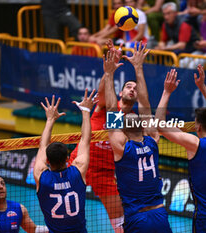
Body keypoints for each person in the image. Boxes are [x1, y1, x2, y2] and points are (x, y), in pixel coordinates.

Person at [68, 41, 150, 233]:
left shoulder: (134, 121)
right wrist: (109, 71)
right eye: (128, 87)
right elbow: (103, 93)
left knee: (119, 220)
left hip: (106, 173)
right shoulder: (106, 106)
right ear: (120, 92)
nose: (132, 89)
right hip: (81, 164)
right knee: (67, 211)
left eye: (135, 88)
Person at [155, 65, 206, 233]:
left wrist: (167, 92)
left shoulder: (195, 144)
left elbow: (158, 124)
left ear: (197, 127)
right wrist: (203, 87)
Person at [104, 45, 173, 233]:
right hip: (160, 215)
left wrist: (109, 74)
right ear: (142, 126)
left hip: (137, 218)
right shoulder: (152, 140)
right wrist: (139, 67)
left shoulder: (122, 147)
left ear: (123, 130)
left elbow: (111, 108)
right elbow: (144, 104)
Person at [33, 90, 96, 233]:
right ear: (68, 158)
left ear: (47, 160)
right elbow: (85, 140)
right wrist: (86, 111)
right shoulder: (77, 171)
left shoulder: (42, 177)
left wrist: (50, 120)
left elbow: (43, 146)